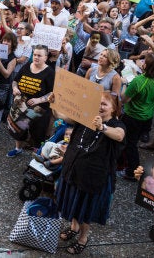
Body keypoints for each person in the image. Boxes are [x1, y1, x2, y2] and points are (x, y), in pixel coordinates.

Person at [53, 91, 126, 254]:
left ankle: (83, 238)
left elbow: (120, 136)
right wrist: (54, 104)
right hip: (73, 171)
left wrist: (102, 127)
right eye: (98, 103)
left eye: (105, 104)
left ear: (114, 109)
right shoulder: (86, 115)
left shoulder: (117, 124)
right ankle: (73, 227)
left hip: (93, 178)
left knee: (85, 210)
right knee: (73, 202)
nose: (100, 107)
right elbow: (64, 117)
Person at [118, 34, 154, 181]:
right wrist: (152, 43)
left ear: (145, 67)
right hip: (148, 115)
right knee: (135, 139)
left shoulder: (138, 81)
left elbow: (124, 98)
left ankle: (131, 171)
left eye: (144, 62)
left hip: (133, 116)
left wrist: (126, 83)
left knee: (130, 144)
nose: (141, 62)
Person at [8, 45, 55, 157]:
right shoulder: (27, 66)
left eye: (39, 55)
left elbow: (53, 93)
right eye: (34, 54)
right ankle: (18, 148)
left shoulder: (50, 72)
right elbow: (15, 81)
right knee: (19, 129)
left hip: (39, 109)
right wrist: (15, 88)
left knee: (37, 133)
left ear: (45, 57)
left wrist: (39, 100)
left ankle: (36, 155)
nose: (36, 57)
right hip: (21, 105)